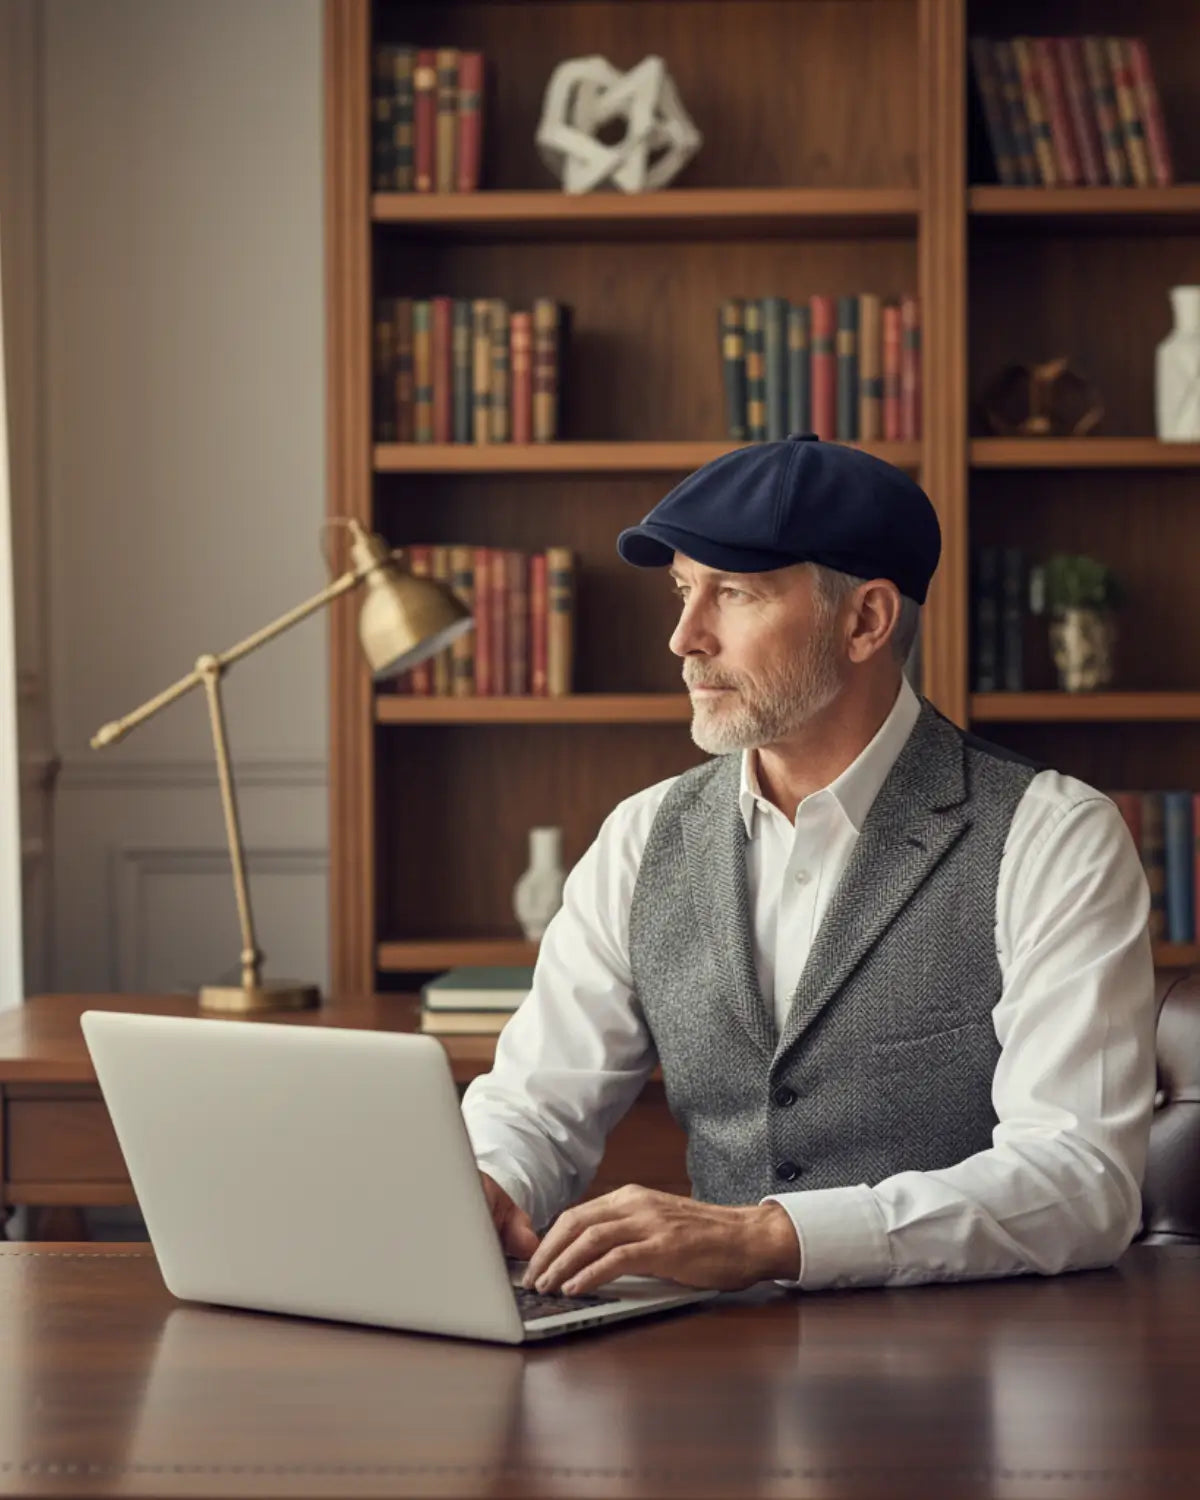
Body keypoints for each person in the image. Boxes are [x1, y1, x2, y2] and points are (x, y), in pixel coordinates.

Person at [460, 433, 1156, 1296]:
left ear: (866, 620)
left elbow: (1079, 1182)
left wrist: (773, 1237)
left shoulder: (1052, 837)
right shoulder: (641, 837)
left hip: (972, 1374)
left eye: (734, 594)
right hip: (708, 1370)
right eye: (682, 591)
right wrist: (488, 1183)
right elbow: (536, 1101)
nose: (684, 637)